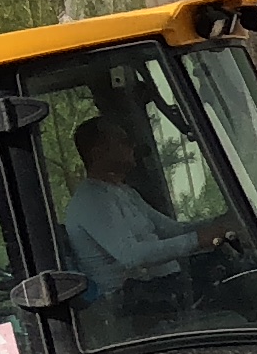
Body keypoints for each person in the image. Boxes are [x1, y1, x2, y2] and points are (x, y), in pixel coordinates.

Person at [62, 115, 229, 294]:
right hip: (134, 304)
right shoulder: (91, 200)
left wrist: (220, 224)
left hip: (164, 286)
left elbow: (172, 230)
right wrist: (198, 239)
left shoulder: (124, 192)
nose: (133, 146)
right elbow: (132, 256)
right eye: (124, 142)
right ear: (98, 153)